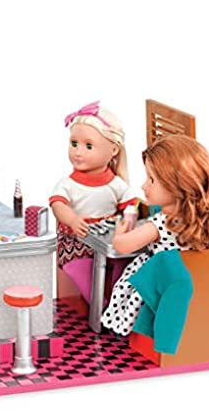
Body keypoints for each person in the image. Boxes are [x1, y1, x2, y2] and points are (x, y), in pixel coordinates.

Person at [102, 134, 209, 336]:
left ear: (177, 186)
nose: (144, 186)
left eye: (152, 180)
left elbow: (123, 246)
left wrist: (121, 231)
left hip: (154, 281)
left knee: (125, 287)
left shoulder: (162, 223)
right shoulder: (202, 220)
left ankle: (120, 329)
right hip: (190, 283)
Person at [49, 101, 137, 301]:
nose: (78, 152)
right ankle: (103, 307)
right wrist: (72, 219)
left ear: (113, 150)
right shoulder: (68, 184)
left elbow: (130, 204)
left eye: (88, 146)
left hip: (107, 244)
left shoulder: (116, 184)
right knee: (83, 275)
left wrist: (129, 221)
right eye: (74, 144)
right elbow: (58, 204)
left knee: (122, 268)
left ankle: (116, 302)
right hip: (77, 246)